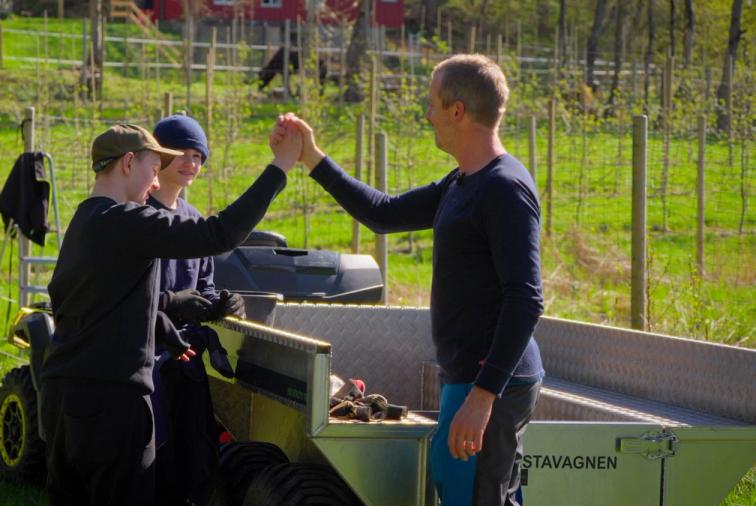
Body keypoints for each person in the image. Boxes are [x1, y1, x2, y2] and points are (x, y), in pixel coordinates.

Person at [275, 53, 544, 506]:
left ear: (457, 111)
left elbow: (526, 298)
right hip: (470, 376)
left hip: (490, 383)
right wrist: (312, 157)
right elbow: (383, 213)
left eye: (432, 103)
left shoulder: (504, 189)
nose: (427, 114)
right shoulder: (463, 182)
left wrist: (482, 398)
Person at [41, 122, 302, 505]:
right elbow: (218, 234)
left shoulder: (84, 222)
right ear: (129, 163)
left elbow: (89, 304)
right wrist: (279, 168)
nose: (154, 182)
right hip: (111, 403)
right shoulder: (126, 222)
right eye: (153, 168)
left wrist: (161, 325)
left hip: (63, 396)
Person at [147, 114, 242, 505]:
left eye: (198, 155)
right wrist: (168, 306)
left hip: (187, 361)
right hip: (147, 362)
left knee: (197, 459)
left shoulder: (195, 221)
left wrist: (223, 302)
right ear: (158, 157)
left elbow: (203, 285)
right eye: (182, 153)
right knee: (158, 460)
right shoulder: (137, 216)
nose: (191, 162)